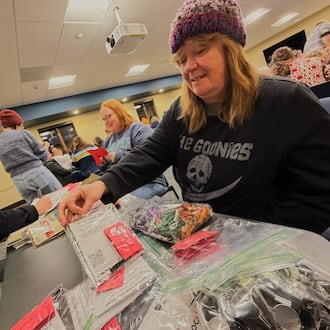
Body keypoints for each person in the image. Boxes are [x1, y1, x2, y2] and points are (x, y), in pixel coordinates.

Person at [58, 0, 330, 240]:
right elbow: (149, 155)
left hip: (264, 247)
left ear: (231, 49)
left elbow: (319, 197)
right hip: (199, 241)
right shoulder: (181, 111)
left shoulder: (287, 102)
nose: (188, 66)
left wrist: (248, 239)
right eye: (181, 59)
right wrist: (99, 186)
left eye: (199, 51)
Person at [99, 98, 168, 199]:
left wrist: (118, 156)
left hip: (147, 181)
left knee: (125, 202)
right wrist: (103, 163)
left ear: (119, 113)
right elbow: (108, 168)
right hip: (122, 184)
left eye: (108, 116)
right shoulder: (109, 139)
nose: (106, 121)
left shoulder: (137, 129)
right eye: (104, 119)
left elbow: (148, 156)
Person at [0, 109, 62, 203]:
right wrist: (46, 146)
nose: (23, 127)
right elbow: (44, 156)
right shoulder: (23, 133)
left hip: (18, 181)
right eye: (22, 125)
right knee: (61, 197)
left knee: (38, 209)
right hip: (36, 174)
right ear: (17, 124)